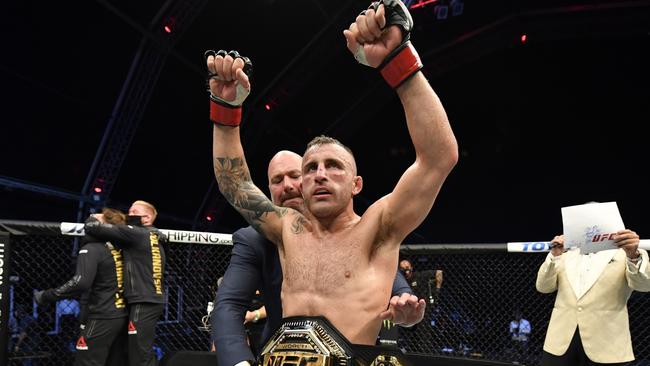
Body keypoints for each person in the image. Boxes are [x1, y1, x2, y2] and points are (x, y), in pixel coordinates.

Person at [206, 0, 457, 349]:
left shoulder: (379, 227)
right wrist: (227, 109)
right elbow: (234, 184)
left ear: (356, 184)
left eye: (333, 166)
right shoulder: (287, 231)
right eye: (310, 169)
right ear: (303, 184)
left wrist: (397, 60)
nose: (319, 175)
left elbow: (438, 157)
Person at [211, 150, 423, 366]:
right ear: (267, 191)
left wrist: (406, 302)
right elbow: (229, 304)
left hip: (351, 356)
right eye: (277, 180)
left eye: (295, 176)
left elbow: (391, 283)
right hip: (278, 355)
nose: (287, 186)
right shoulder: (254, 239)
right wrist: (238, 361)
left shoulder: (356, 232)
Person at [536, 229, 650, 365]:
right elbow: (543, 287)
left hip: (607, 343)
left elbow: (644, 286)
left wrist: (633, 256)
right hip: (559, 342)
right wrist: (554, 256)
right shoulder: (566, 253)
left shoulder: (626, 253)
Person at [35, 207, 129, 366]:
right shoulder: (120, 248)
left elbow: (81, 282)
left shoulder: (92, 249)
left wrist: (46, 295)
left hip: (101, 316)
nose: (90, 218)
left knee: (86, 362)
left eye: (94, 217)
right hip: (120, 313)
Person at [84, 200, 166, 366]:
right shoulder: (151, 235)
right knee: (137, 352)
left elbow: (93, 227)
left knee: (140, 355)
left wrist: (95, 216)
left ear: (147, 218)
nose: (129, 215)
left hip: (144, 300)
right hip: (148, 299)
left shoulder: (136, 233)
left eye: (134, 212)